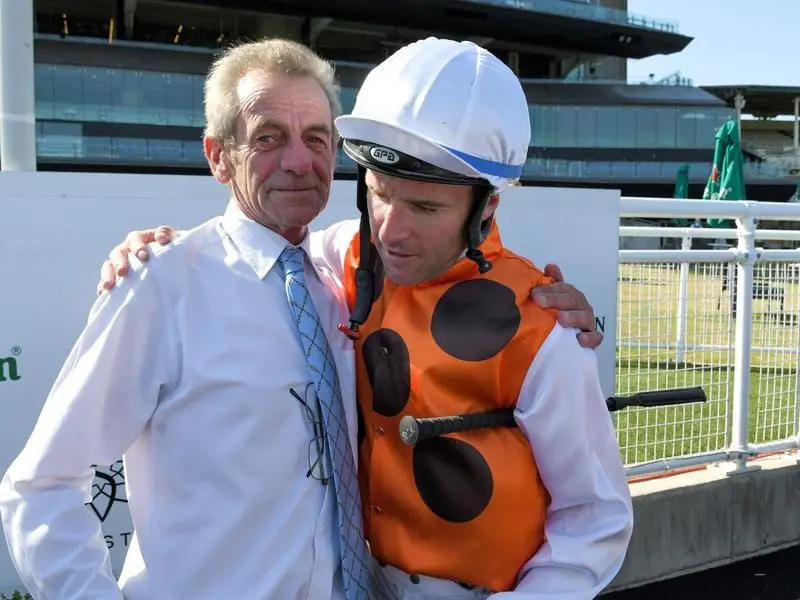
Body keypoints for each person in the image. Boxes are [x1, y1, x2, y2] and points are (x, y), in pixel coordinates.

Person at [97, 38, 632, 600]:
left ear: (487, 208)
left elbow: (597, 518)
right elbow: (249, 245)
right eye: (379, 194)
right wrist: (156, 250)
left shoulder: (543, 327)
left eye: (425, 208)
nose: (391, 230)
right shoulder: (348, 258)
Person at [0, 38, 371, 600]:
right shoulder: (161, 284)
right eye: (268, 138)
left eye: (316, 138)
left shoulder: (346, 273)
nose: (299, 161)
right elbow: (40, 485)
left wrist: (550, 301)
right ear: (218, 156)